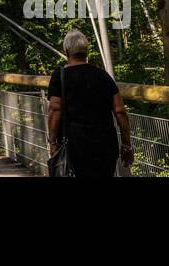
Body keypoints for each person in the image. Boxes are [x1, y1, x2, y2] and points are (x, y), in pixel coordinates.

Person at [45, 29, 134, 177]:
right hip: (105, 147)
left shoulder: (60, 76)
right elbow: (119, 111)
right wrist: (126, 146)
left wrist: (53, 143)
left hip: (74, 147)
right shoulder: (103, 76)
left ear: (67, 51)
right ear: (86, 51)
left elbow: (54, 109)